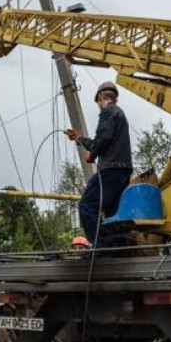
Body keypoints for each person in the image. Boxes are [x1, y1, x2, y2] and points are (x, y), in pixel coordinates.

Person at [65, 81, 133, 245]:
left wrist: (92, 155)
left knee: (87, 206)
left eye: (98, 103)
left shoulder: (108, 111)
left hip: (110, 170)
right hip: (122, 173)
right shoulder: (119, 114)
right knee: (112, 213)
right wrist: (79, 138)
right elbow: (103, 140)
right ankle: (117, 249)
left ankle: (100, 246)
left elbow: (102, 139)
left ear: (101, 99)